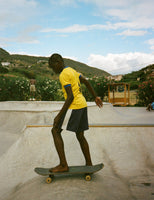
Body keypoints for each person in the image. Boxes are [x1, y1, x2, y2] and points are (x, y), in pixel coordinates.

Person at [48, 53, 103, 173]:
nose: (53, 70)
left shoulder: (63, 74)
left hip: (75, 107)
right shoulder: (72, 71)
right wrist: (95, 97)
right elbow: (86, 81)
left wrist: (59, 116)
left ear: (58, 63)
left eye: (53, 67)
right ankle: (89, 164)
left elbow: (70, 97)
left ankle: (63, 165)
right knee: (80, 135)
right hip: (83, 104)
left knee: (55, 130)